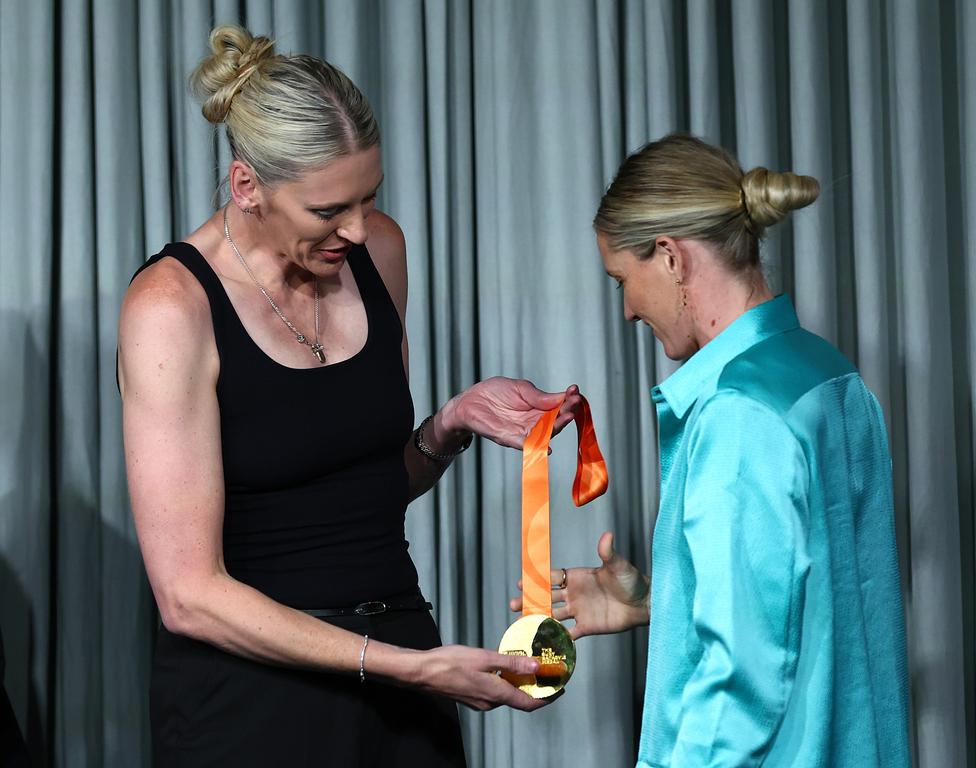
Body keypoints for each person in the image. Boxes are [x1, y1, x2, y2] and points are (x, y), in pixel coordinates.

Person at [118, 25, 581, 767]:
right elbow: (189, 595)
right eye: (330, 209)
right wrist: (409, 667)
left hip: (400, 668)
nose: (359, 228)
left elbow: (367, 490)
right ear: (247, 186)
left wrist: (448, 425)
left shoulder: (377, 252)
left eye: (370, 198)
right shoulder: (172, 307)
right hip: (252, 699)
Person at [513, 133, 911, 766]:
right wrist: (659, 603)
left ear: (671, 256)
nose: (627, 310)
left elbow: (741, 683)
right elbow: (812, 606)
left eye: (623, 279)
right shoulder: (831, 377)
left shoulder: (738, 416)